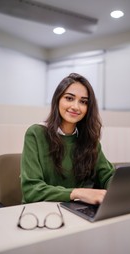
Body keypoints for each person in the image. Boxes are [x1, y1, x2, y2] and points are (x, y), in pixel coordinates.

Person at [21, 73, 115, 205]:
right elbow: (31, 190)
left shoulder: (89, 139)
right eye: (69, 98)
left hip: (73, 210)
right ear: (58, 100)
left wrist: (120, 188)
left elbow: (108, 175)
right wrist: (77, 193)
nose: (76, 107)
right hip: (39, 212)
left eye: (83, 102)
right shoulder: (36, 133)